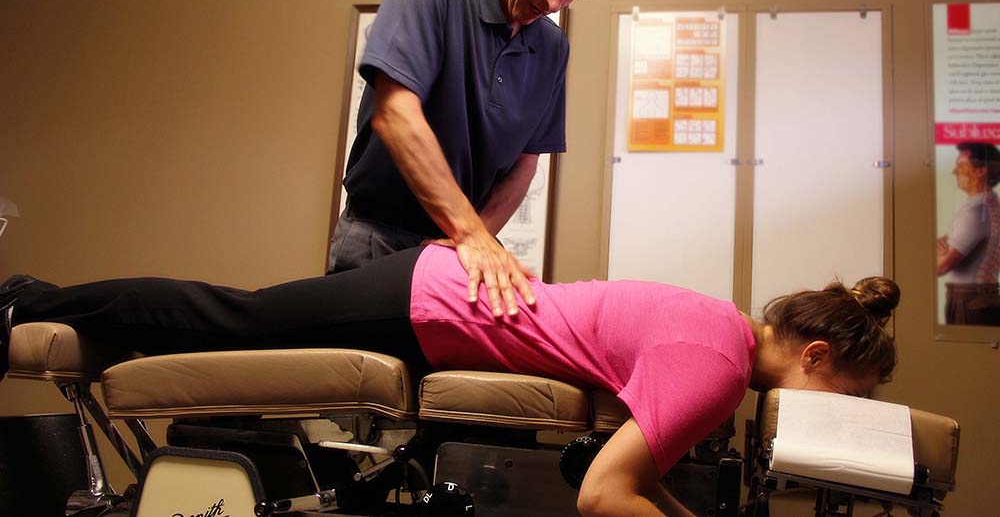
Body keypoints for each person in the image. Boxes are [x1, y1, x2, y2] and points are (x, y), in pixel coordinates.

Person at [1, 245, 897, 517]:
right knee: (233, 315)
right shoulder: (718, 365)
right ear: (816, 356)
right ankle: (30, 298)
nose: (840, 412)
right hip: (430, 305)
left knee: (235, 309)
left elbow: (630, 474)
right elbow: (604, 497)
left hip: (435, 300)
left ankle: (39, 293)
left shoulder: (717, 331)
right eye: (849, 393)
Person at [330, 0, 617, 320]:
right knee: (364, 382)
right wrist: (470, 235)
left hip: (456, 249)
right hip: (378, 237)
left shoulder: (552, 47)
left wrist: (474, 239)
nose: (557, 3)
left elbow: (526, 162)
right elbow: (395, 112)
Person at [937, 141, 1000, 326]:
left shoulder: (975, 213)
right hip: (977, 297)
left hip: (969, 300)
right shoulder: (986, 206)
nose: (955, 172)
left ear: (981, 171)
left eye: (962, 166)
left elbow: (940, 266)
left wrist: (935, 250)